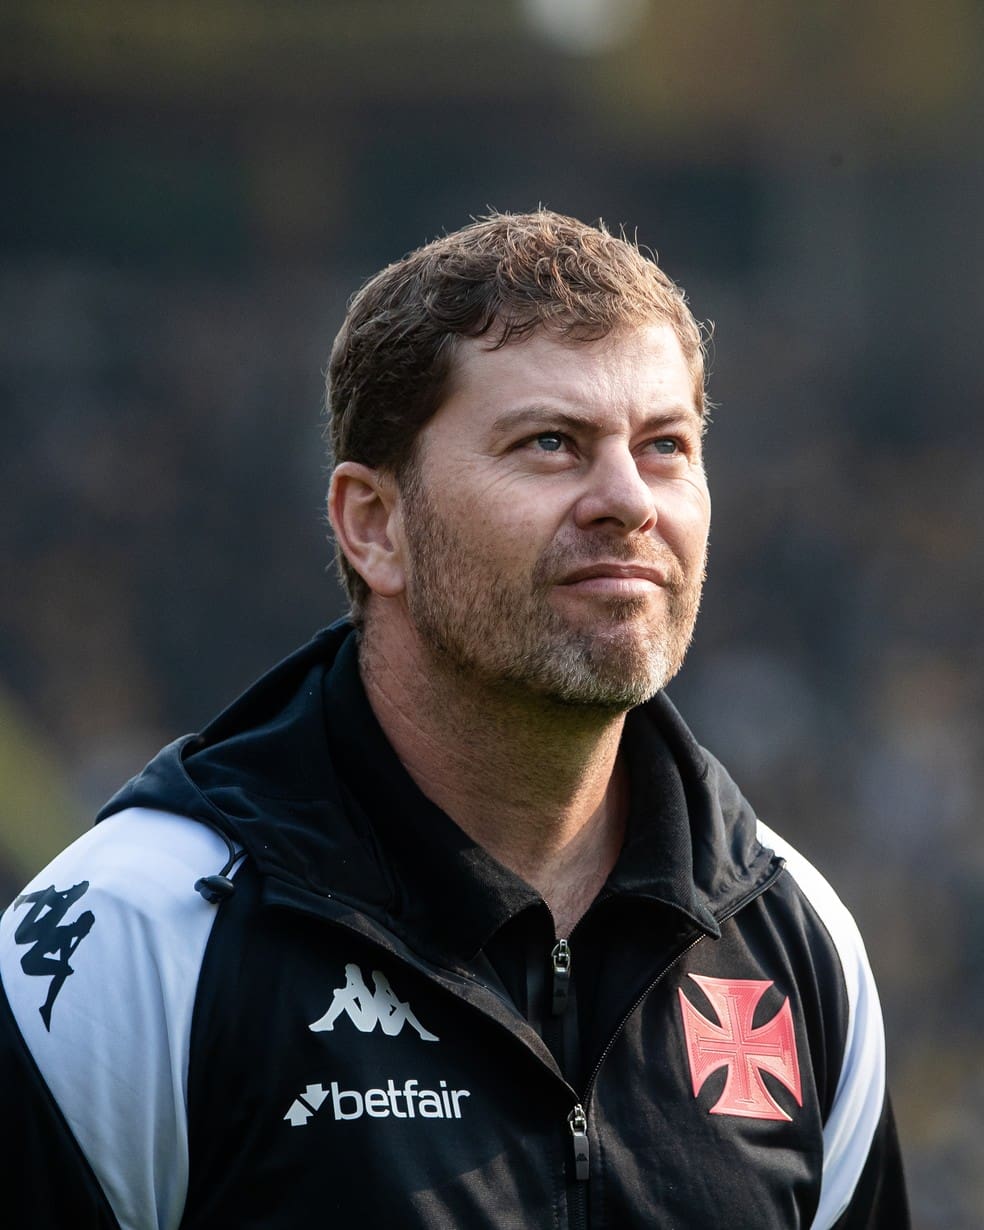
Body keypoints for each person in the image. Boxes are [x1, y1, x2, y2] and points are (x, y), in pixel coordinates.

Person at [0, 210, 908, 1227]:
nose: (626, 500)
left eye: (664, 447)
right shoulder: (133, 942)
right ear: (373, 525)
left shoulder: (798, 946)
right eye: (551, 444)